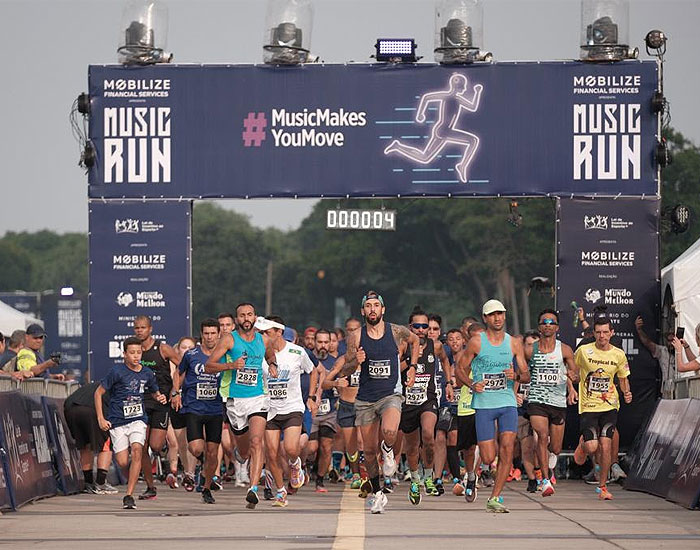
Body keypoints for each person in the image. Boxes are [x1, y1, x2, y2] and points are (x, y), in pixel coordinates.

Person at [338, 290, 420, 514]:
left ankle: (389, 450)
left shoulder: (396, 331)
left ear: (383, 309)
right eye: (368, 306)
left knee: (390, 432)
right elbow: (345, 370)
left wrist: (412, 367)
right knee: (369, 452)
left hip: (390, 394)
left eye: (376, 305)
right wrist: (356, 360)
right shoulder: (355, 337)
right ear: (363, 310)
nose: (372, 309)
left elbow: (416, 341)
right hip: (365, 399)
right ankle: (377, 494)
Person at [455, 299, 529, 513]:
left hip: (507, 403)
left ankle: (495, 497)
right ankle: (474, 473)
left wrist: (516, 375)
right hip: (484, 404)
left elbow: (526, 375)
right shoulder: (477, 342)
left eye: (501, 314)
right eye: (493, 314)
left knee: (507, 448)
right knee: (488, 457)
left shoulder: (514, 343)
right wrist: (471, 383)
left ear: (505, 316)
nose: (497, 318)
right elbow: (460, 369)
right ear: (486, 318)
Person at [205, 302, 279, 509]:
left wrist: (272, 364)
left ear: (255, 317)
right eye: (242, 315)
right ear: (237, 319)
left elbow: (270, 354)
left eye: (250, 315)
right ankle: (240, 455)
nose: (246, 318)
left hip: (259, 397)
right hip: (235, 400)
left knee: (257, 442)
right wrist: (231, 365)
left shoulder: (263, 339)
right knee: (245, 449)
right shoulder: (229, 340)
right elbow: (208, 365)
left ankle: (253, 489)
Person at [95, 337, 168, 509]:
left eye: (139, 352)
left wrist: (160, 397)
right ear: (124, 354)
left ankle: (129, 496)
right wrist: (100, 418)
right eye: (132, 353)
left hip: (138, 419)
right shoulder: (117, 371)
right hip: (118, 421)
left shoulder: (147, 373)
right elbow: (98, 393)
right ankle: (131, 477)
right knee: (122, 462)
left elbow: (154, 392)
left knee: (137, 450)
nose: (136, 356)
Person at [572, 317, 632, 501]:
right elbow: (574, 369)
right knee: (593, 447)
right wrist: (572, 380)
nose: (602, 336)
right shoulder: (583, 351)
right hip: (589, 405)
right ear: (594, 334)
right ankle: (584, 444)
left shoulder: (618, 355)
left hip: (610, 404)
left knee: (606, 445)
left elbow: (622, 378)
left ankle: (603, 486)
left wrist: (627, 392)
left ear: (611, 333)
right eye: (598, 332)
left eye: (605, 332)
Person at [262, 315, 315, 507]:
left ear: (279, 332)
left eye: (267, 333)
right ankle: (280, 491)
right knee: (271, 452)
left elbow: (313, 371)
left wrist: (312, 397)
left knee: (291, 448)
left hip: (293, 407)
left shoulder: (296, 351)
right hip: (269, 410)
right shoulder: (260, 354)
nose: (264, 337)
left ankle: (295, 464)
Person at [401, 308, 451, 505]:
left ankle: (429, 476)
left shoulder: (435, 346)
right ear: (410, 327)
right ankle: (415, 480)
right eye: (418, 326)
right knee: (412, 446)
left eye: (425, 326)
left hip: (428, 398)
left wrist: (448, 382)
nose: (422, 330)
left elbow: (445, 360)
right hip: (407, 401)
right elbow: (395, 368)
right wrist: (411, 358)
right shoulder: (403, 345)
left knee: (429, 435)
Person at [525, 310, 577, 498]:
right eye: (544, 322)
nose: (547, 325)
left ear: (557, 327)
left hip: (557, 402)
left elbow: (575, 373)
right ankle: (545, 480)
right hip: (537, 400)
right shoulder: (531, 350)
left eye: (551, 322)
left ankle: (549, 464)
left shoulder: (565, 350)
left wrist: (573, 378)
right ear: (539, 326)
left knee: (554, 447)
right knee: (541, 435)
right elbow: (524, 373)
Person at [171, 319, 224, 504]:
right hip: (194, 406)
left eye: (212, 333)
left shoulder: (224, 355)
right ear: (201, 334)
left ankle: (207, 488)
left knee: (213, 452)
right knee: (195, 448)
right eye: (206, 333)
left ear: (219, 334)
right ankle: (203, 465)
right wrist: (175, 392)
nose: (209, 337)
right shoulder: (191, 354)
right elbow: (178, 373)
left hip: (216, 409)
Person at [132, 316, 181, 501]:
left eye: (143, 327)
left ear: (150, 329)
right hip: (140, 402)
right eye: (136, 328)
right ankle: (150, 486)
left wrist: (176, 391)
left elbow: (181, 366)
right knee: (142, 446)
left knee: (155, 445)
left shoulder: (162, 348)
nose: (139, 331)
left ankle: (169, 462)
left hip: (161, 402)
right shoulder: (134, 351)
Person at [64, 381, 117, 494]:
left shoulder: (96, 385)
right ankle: (101, 483)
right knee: (106, 444)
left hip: (70, 408)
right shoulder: (118, 390)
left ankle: (88, 484)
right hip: (92, 410)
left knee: (85, 445)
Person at [307, 329, 340, 492]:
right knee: (312, 448)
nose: (323, 346)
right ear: (314, 342)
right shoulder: (307, 359)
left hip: (329, 412)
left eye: (326, 342)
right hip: (311, 411)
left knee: (326, 446)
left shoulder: (336, 362)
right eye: (319, 342)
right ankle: (309, 466)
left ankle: (319, 480)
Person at [635, 315, 697, 398]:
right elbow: (648, 343)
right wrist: (639, 330)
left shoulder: (683, 349)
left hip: (684, 390)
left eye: (673, 340)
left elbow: (693, 362)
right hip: (668, 390)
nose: (671, 343)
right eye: (669, 341)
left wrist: (683, 348)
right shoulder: (663, 351)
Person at [165, 336, 197, 491]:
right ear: (177, 350)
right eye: (184, 347)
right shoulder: (171, 365)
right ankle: (186, 470)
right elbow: (171, 381)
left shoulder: (198, 363)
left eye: (191, 348)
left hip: (195, 405)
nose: (187, 350)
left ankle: (191, 473)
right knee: (181, 443)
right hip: (176, 405)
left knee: (195, 441)